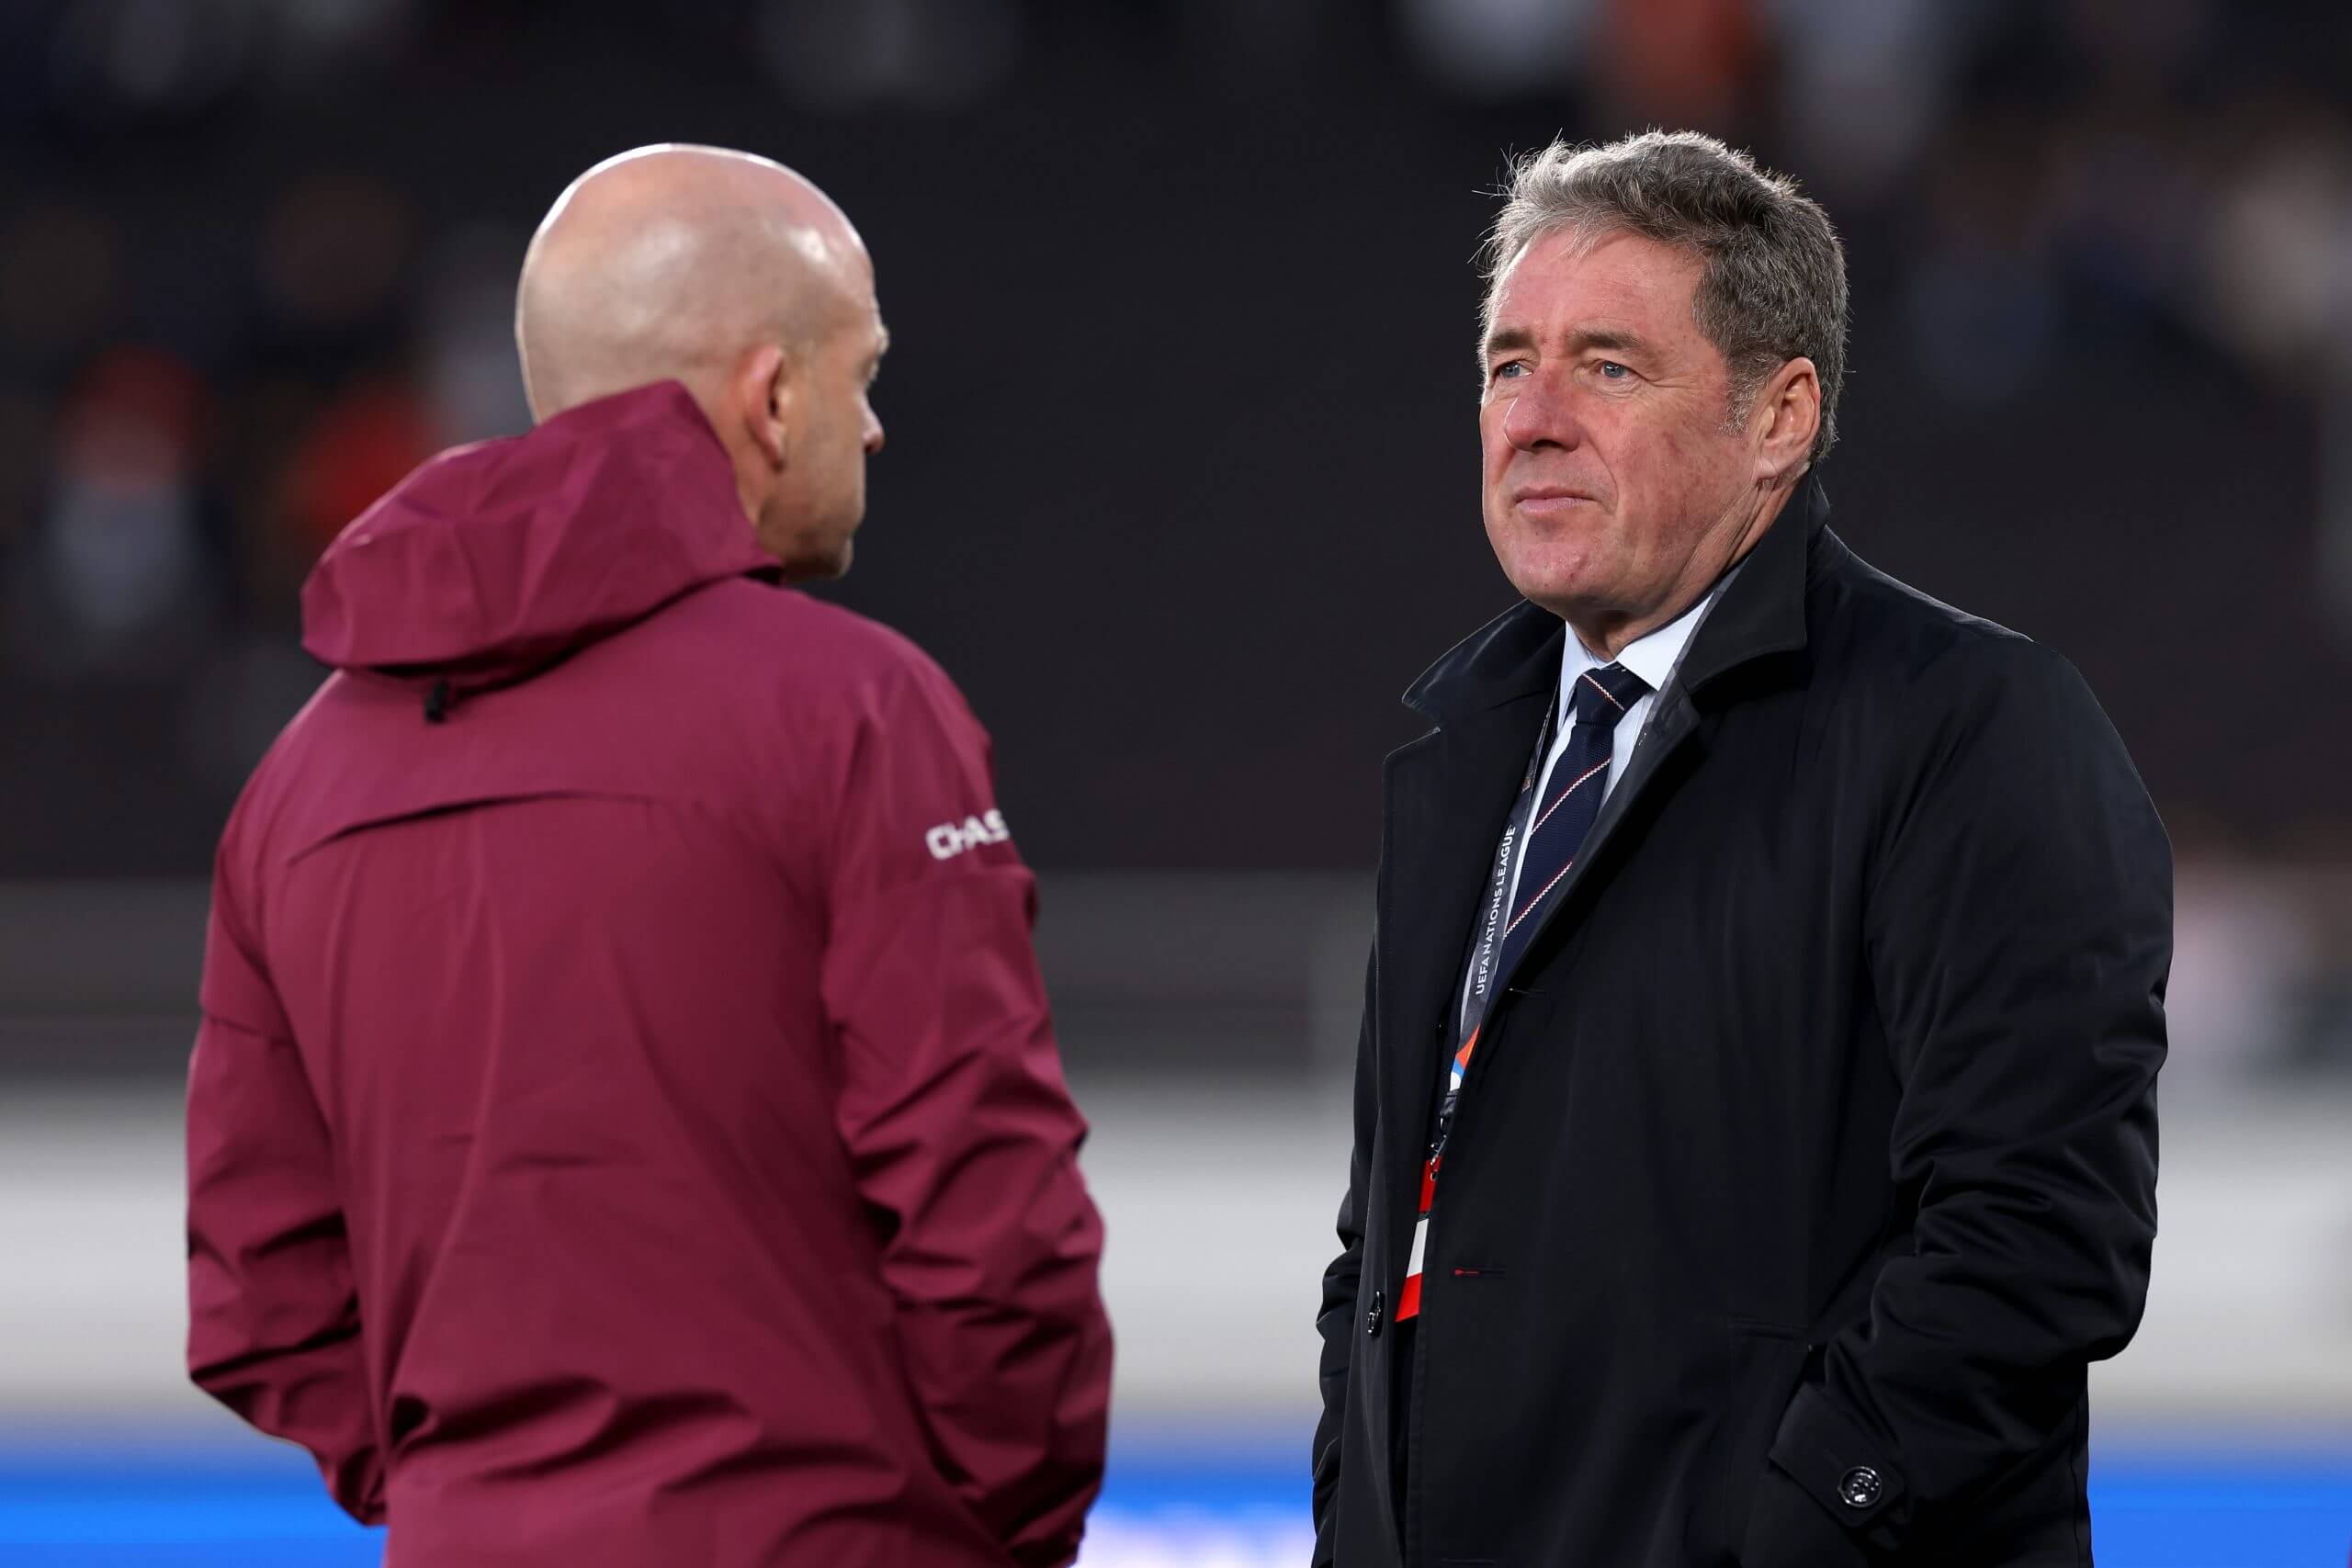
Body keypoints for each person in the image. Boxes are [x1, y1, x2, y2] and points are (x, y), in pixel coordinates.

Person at [186, 145, 1112, 1568]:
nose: (869, 429)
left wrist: (477, 1492)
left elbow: (258, 1293)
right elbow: (990, 1212)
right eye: (860, 375)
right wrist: (984, 1528)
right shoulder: (853, 708)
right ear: (773, 394)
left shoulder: (295, 783)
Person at [1312, 130, 2168, 1568]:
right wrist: (1362, 1514)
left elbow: (2038, 1237)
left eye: (1609, 366)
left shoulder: (1971, 727)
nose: (1534, 416)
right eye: (1509, 363)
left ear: (1779, 419)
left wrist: (1794, 1529)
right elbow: (1390, 1227)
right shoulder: (1472, 753)